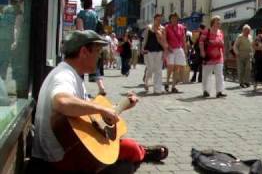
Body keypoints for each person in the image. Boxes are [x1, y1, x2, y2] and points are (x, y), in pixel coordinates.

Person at [31, 30, 168, 173]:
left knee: (128, 148)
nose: (100, 56)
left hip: (67, 151)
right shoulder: (64, 76)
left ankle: (141, 152)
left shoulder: (71, 73)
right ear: (84, 52)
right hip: (62, 159)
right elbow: (62, 102)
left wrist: (121, 106)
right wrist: (100, 109)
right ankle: (141, 153)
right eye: (97, 51)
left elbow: (86, 111)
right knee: (128, 158)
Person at [75, 0, 106, 95]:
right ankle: (101, 88)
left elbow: (80, 30)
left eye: (81, 2)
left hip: (84, 43)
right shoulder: (95, 14)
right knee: (94, 66)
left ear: (84, 3)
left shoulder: (81, 14)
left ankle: (81, 91)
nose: (81, 4)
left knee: (80, 67)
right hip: (94, 43)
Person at [199, 15, 227, 98]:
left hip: (219, 57)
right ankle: (206, 91)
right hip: (208, 57)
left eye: (219, 22)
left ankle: (219, 91)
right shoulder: (206, 31)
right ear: (213, 23)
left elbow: (222, 45)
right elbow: (201, 42)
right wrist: (202, 51)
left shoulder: (220, 32)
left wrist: (224, 55)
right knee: (207, 75)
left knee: (219, 75)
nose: (219, 23)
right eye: (217, 22)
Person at [142, 13, 166, 94]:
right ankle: (146, 81)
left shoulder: (162, 28)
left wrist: (165, 51)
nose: (159, 21)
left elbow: (164, 40)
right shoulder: (149, 28)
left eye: (160, 20)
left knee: (158, 70)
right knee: (151, 68)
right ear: (154, 19)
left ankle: (157, 89)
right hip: (149, 50)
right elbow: (145, 39)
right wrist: (142, 48)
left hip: (159, 50)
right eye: (157, 20)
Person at [164, 13, 187, 93]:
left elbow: (183, 39)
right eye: (172, 18)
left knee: (177, 68)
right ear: (170, 19)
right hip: (170, 49)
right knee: (170, 67)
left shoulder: (181, 27)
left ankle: (173, 86)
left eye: (176, 18)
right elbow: (164, 39)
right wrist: (167, 47)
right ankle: (167, 82)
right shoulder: (167, 27)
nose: (174, 20)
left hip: (178, 49)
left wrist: (185, 49)